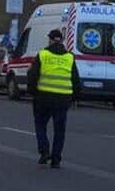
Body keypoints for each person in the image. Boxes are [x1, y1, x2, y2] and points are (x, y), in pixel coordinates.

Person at [27, 29, 80, 169]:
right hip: (63, 99)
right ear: (61, 40)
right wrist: (75, 98)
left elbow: (33, 75)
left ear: (50, 40)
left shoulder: (43, 55)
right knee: (59, 130)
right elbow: (75, 79)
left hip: (43, 97)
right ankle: (56, 159)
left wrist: (32, 92)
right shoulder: (69, 57)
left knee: (40, 124)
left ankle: (44, 151)